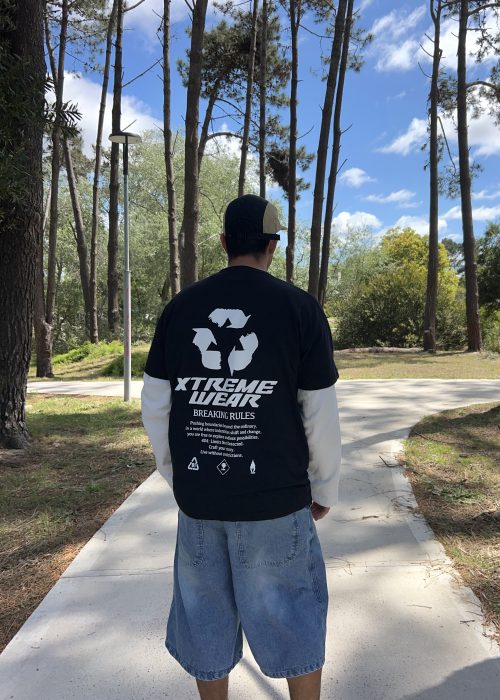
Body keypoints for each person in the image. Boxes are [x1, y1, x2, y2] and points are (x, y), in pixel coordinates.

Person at [141, 193, 342, 700]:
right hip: (277, 500)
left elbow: (156, 405)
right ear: (272, 245)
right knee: (294, 616)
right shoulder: (300, 309)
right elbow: (319, 412)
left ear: (224, 242)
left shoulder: (179, 309)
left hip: (200, 501)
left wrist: (178, 476)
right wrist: (324, 487)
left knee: (204, 618)